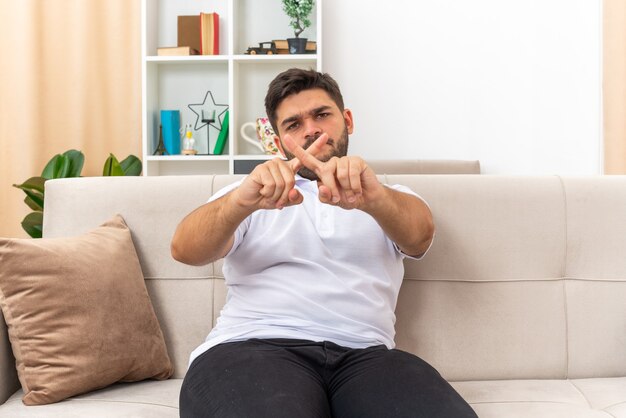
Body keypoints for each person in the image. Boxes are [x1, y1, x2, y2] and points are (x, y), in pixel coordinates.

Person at [172, 68, 477, 418]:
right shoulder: (251, 194)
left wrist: (371, 197)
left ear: (346, 120)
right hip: (253, 347)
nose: (311, 130)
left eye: (321, 115)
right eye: (293, 125)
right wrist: (242, 201)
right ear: (277, 141)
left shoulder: (386, 195)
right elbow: (184, 249)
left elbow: (420, 236)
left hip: (366, 356)